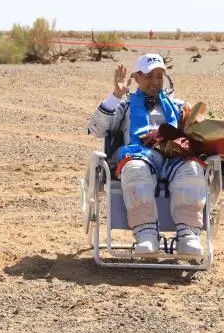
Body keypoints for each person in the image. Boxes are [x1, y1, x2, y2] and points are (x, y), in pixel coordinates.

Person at [87, 53, 208, 257]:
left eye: (159, 76)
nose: (155, 82)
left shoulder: (178, 106)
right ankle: (146, 235)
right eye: (148, 76)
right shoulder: (125, 105)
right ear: (136, 77)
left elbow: (198, 132)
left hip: (174, 156)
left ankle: (189, 235)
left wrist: (199, 124)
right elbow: (95, 128)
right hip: (139, 154)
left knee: (192, 169)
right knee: (135, 169)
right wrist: (116, 95)